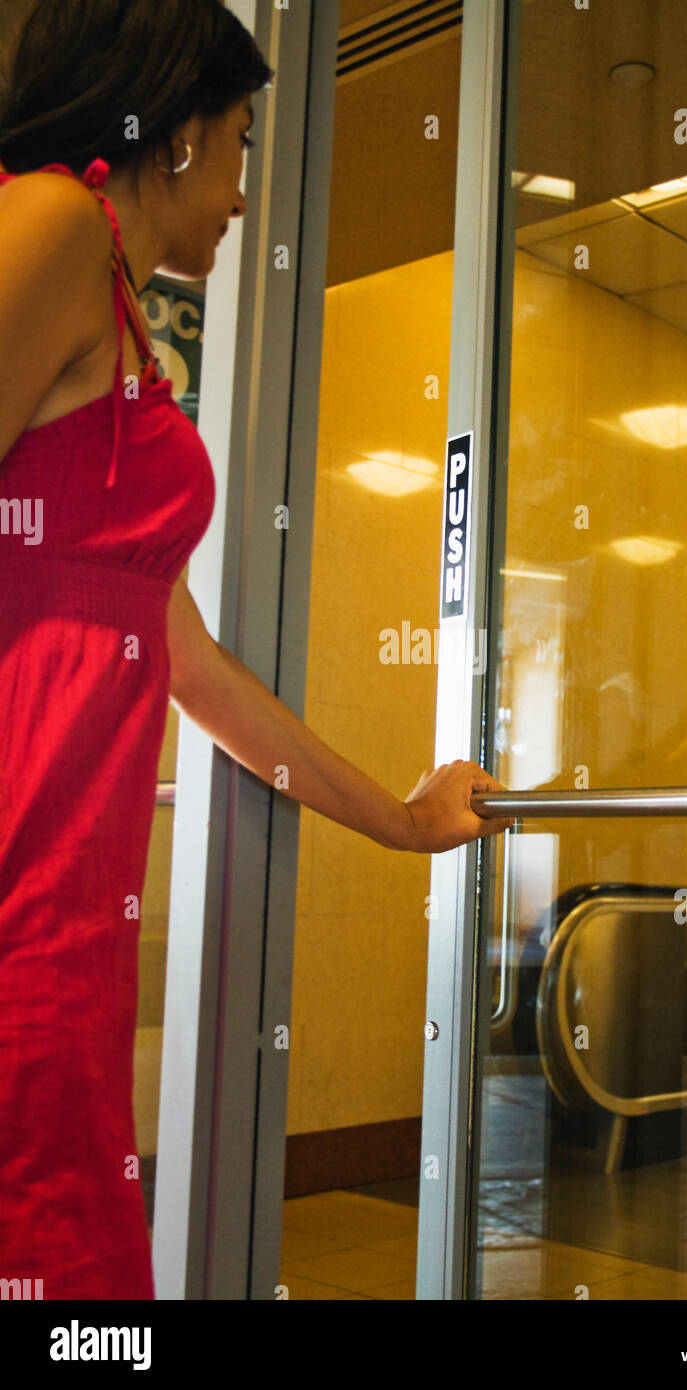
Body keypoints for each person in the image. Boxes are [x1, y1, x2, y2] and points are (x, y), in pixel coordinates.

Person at [0, 0, 512, 1300]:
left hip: (64, 912)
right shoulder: (53, 221)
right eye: (238, 141)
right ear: (173, 135)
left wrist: (403, 820)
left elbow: (202, 676)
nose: (239, 191)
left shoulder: (115, 321)